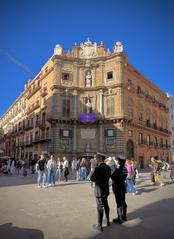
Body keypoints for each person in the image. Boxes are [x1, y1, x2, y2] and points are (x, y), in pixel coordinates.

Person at [91, 152, 111, 232]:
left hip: (99, 190)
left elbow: (92, 178)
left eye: (96, 158)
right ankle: (108, 221)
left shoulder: (98, 168)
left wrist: (93, 169)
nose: (95, 159)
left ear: (100, 159)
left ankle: (99, 225)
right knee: (106, 204)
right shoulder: (108, 167)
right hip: (106, 189)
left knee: (100, 206)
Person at [111, 155, 128, 224]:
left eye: (118, 161)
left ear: (120, 162)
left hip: (117, 187)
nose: (117, 162)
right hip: (123, 186)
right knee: (123, 201)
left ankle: (119, 218)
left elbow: (112, 177)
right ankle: (124, 216)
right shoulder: (125, 169)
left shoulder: (118, 169)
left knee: (118, 203)